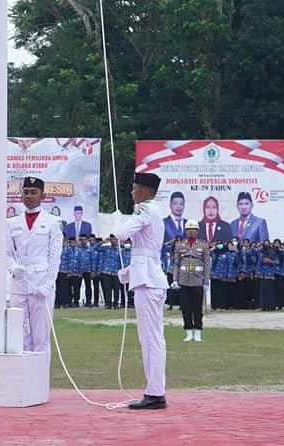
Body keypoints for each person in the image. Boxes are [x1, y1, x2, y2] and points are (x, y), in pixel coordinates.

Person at [114, 172, 169, 410]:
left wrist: (116, 222)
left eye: (135, 188)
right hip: (148, 276)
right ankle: (154, 391)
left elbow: (123, 233)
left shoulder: (145, 209)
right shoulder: (154, 211)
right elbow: (143, 250)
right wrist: (129, 271)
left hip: (148, 281)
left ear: (146, 191)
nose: (132, 192)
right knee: (151, 338)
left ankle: (155, 393)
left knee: (151, 339)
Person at [6, 177, 64, 353]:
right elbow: (6, 252)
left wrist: (48, 284)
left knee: (41, 335)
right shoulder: (11, 222)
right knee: (18, 333)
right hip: (19, 281)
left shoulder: (53, 222)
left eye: (33, 192)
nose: (29, 196)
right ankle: (22, 378)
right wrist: (13, 266)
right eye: (26, 192)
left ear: (43, 195)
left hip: (41, 281)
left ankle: (40, 379)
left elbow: (55, 256)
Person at [173, 220, 210, 341]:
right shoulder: (180, 245)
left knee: (197, 308)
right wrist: (175, 279)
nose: (190, 232)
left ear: (197, 231)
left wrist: (206, 281)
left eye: (193, 229)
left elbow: (206, 264)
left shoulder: (203, 245)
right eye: (188, 230)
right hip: (184, 280)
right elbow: (177, 263)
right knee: (186, 308)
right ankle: (188, 332)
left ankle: (198, 332)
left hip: (197, 280)